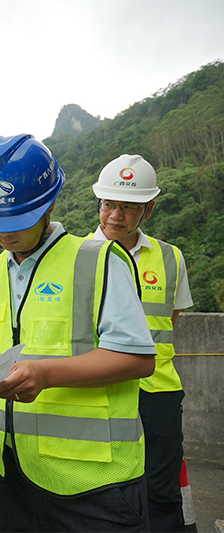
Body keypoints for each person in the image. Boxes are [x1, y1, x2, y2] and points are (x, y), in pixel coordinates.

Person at [0, 134, 156, 532]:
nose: (4, 234)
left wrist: (45, 374)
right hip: (12, 470)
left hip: (93, 483)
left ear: (50, 202)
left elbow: (139, 358)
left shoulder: (99, 261)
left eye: (17, 220)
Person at [92, 154, 194, 533]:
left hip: (159, 392)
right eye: (109, 205)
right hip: (100, 390)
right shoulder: (78, 256)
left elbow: (171, 317)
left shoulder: (170, 258)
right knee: (105, 490)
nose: (116, 216)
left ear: (148, 209)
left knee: (162, 493)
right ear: (99, 204)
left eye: (129, 207)